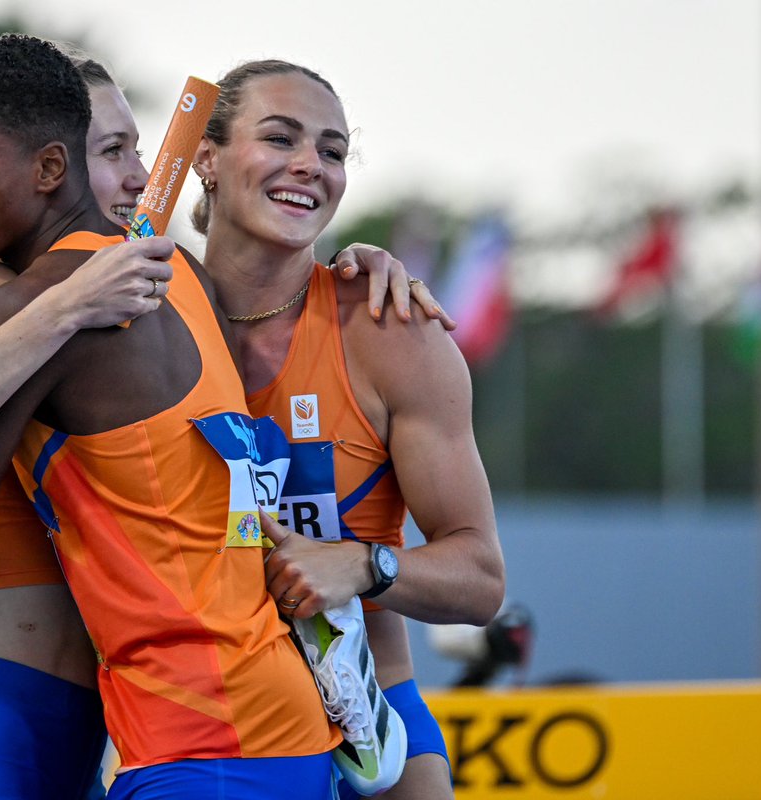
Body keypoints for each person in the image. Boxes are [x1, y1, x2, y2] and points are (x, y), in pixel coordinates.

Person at [0, 34, 340, 799]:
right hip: (262, 725)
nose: (141, 175)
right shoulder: (169, 275)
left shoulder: (64, 298)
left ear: (49, 167)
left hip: (189, 738)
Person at [188, 61, 506, 799]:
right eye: (280, 137)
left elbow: (482, 579)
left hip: (371, 734)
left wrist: (363, 566)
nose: (311, 165)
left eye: (332, 151)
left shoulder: (390, 330)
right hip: (198, 730)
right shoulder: (146, 319)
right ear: (205, 157)